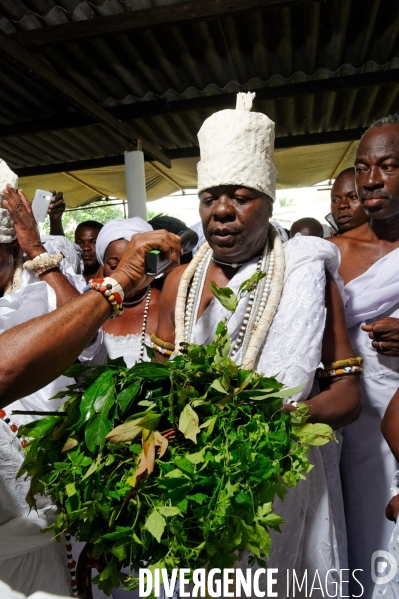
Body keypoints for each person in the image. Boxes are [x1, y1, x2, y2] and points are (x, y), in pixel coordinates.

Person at [154, 92, 361, 596]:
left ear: (269, 201)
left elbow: (349, 395)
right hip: (191, 484)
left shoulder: (307, 272)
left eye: (241, 197)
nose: (222, 212)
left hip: (281, 484)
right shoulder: (180, 281)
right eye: (209, 198)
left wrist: (275, 422)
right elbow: (156, 388)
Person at [328, 114, 399, 598]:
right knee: (363, 537)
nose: (370, 181)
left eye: (388, 166)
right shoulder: (331, 253)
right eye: (362, 167)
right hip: (352, 424)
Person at [94, 217, 161, 367]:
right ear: (103, 266)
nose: (123, 275)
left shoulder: (166, 305)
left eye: (134, 265)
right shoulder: (92, 306)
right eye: (113, 266)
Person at [330, 167, 370, 234]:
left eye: (352, 197)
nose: (342, 205)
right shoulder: (325, 243)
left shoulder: (390, 242)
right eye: (335, 200)